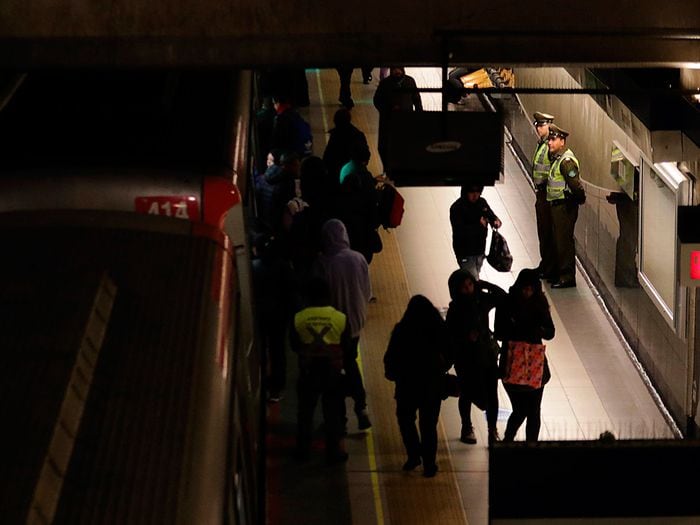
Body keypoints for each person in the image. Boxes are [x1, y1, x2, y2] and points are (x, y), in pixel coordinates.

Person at [312, 219, 372, 431]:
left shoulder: (323, 263)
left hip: (334, 326)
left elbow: (318, 296)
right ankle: (361, 408)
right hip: (356, 323)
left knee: (334, 370)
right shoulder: (358, 258)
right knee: (350, 361)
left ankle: (340, 419)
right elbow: (367, 291)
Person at [384, 295, 451, 477]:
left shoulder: (401, 331)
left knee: (406, 421)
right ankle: (430, 464)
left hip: (406, 386)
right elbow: (449, 356)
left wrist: (393, 374)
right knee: (429, 426)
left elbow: (390, 359)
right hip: (432, 387)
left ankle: (413, 455)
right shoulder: (439, 330)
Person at [290, 276, 350, 463]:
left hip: (308, 371)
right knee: (332, 414)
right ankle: (333, 453)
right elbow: (347, 345)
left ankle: (302, 452)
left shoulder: (299, 317)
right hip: (332, 372)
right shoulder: (339, 317)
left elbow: (294, 344)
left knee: (305, 414)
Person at [494, 268, 555, 442]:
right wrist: (516, 327)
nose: (527, 292)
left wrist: (537, 329)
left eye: (531, 289)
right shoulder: (507, 303)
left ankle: (530, 447)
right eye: (524, 289)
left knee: (534, 411)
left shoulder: (540, 304)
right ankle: (508, 440)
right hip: (512, 363)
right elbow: (499, 332)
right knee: (521, 409)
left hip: (535, 365)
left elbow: (550, 332)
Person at [446, 268, 506, 445]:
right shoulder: (454, 310)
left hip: (486, 355)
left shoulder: (481, 301)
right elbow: (450, 336)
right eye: (464, 287)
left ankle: (492, 430)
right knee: (467, 392)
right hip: (466, 358)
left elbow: (502, 297)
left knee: (492, 392)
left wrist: (485, 285)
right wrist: (466, 338)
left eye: (471, 284)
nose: (469, 289)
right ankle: (466, 426)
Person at [250, 227, 297, 403]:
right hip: (280, 316)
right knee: (278, 351)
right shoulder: (284, 267)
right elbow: (291, 293)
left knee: (260, 349)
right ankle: (277, 387)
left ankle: (259, 383)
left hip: (260, 315)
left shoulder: (254, 268)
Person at [546, 124, 585, 288]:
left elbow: (576, 186)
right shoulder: (557, 159)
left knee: (564, 242)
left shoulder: (566, 162)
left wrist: (577, 200)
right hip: (557, 206)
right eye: (549, 139)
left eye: (554, 140)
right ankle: (559, 273)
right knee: (558, 240)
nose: (550, 143)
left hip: (564, 207)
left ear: (562, 141)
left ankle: (567, 277)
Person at [336, 141, 381, 265]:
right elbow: (372, 205)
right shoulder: (364, 176)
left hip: (345, 233)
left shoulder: (345, 168)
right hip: (362, 235)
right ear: (365, 161)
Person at [372, 66, 423, 173]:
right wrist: (387, 109)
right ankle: (388, 169)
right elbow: (377, 100)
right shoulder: (385, 83)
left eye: (399, 69)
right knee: (386, 146)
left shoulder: (409, 81)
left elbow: (417, 99)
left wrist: (419, 117)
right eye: (395, 70)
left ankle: (404, 167)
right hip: (388, 120)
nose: (397, 72)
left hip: (405, 120)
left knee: (404, 145)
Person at [449, 184, 502, 280]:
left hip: (479, 250)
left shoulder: (481, 203)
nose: (475, 195)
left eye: (478, 192)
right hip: (465, 252)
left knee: (474, 276)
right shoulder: (457, 208)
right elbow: (460, 231)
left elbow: (490, 215)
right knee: (473, 279)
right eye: (472, 192)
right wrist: (478, 225)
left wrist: (495, 220)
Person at [531, 111, 557, 281]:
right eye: (538, 126)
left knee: (548, 233)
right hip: (541, 194)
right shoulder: (542, 144)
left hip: (547, 196)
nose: (539, 129)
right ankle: (545, 263)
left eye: (542, 125)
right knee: (543, 232)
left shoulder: (550, 146)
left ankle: (550, 267)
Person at [322, 107, 369, 191]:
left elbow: (327, 157)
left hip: (336, 176)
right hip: (354, 176)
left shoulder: (335, 135)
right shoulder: (357, 135)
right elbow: (365, 156)